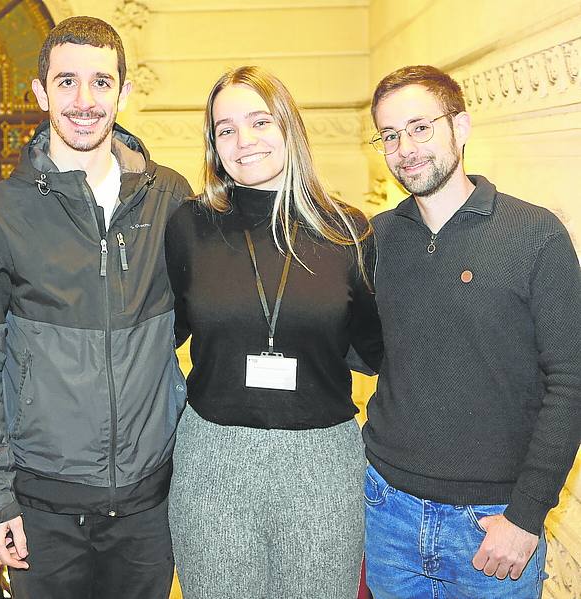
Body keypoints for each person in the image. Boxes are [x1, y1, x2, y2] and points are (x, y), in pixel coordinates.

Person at [0, 16, 192, 599]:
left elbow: (202, 322)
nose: (85, 101)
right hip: (40, 511)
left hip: (148, 507)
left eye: (102, 83)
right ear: (40, 92)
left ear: (125, 93)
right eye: (67, 82)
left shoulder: (170, 200)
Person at [362, 64, 581, 598]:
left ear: (460, 128)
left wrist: (527, 516)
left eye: (420, 127)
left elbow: (571, 380)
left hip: (493, 526)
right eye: (389, 135)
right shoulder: (378, 238)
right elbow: (359, 350)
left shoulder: (534, 234)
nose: (405, 148)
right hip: (385, 513)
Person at [164, 65, 383, 599]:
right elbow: (159, 337)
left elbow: (373, 351)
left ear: (289, 126)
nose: (244, 141)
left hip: (321, 465)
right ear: (214, 145)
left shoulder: (348, 231)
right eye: (225, 129)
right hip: (213, 460)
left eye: (260, 121)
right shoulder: (190, 226)